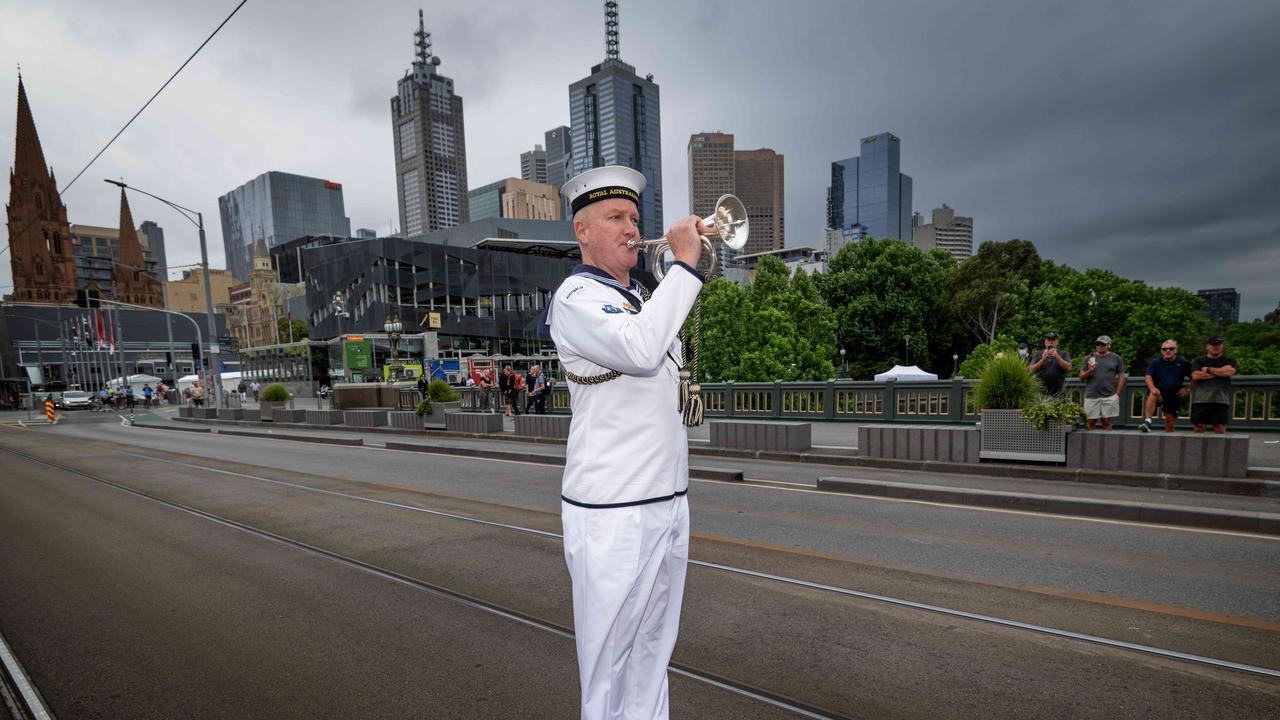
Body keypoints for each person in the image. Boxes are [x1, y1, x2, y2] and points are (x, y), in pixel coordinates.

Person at [546, 165, 706, 719]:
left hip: (665, 501)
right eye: (615, 217)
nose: (631, 228)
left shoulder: (641, 294)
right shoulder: (576, 298)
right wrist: (684, 263)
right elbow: (640, 352)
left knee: (652, 657)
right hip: (613, 509)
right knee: (609, 664)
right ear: (583, 231)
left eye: (635, 217)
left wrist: (672, 275)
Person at [1140, 340, 1193, 433]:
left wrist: (1188, 389)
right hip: (1159, 393)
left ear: (1176, 350)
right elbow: (1148, 377)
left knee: (1170, 423)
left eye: (1171, 349)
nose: (1168, 351)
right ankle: (1147, 422)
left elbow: (1195, 377)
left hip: (1174, 395)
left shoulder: (1183, 362)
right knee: (1153, 393)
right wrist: (1152, 388)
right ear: (1161, 351)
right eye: (1164, 349)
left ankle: (1169, 444)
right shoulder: (1155, 362)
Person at [1190, 335, 1238, 433]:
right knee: (1199, 428)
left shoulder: (1229, 360)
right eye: (1213, 344)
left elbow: (1229, 372)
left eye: (1219, 344)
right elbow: (1195, 375)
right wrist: (1220, 372)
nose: (1216, 347)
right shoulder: (1199, 360)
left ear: (1222, 346)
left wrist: (1208, 369)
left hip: (1221, 399)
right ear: (1207, 346)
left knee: (1220, 428)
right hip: (1201, 399)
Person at [1079, 335, 1125, 430]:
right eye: (1098, 344)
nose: (1100, 346)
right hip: (1091, 395)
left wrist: (1117, 393)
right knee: (1090, 424)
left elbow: (1121, 375)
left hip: (1109, 395)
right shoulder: (1088, 358)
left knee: (1107, 423)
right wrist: (1090, 370)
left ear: (1109, 345)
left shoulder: (1116, 358)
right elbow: (1081, 377)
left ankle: (1108, 444)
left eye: (1103, 344)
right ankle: (1089, 444)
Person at [1028, 332, 1072, 396]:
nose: (1051, 342)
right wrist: (1042, 359)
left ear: (1057, 342)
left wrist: (1057, 356)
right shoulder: (1038, 354)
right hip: (1041, 393)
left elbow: (1069, 368)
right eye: (1048, 340)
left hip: (1059, 392)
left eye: (1053, 340)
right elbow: (1031, 370)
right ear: (1045, 342)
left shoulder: (1064, 354)